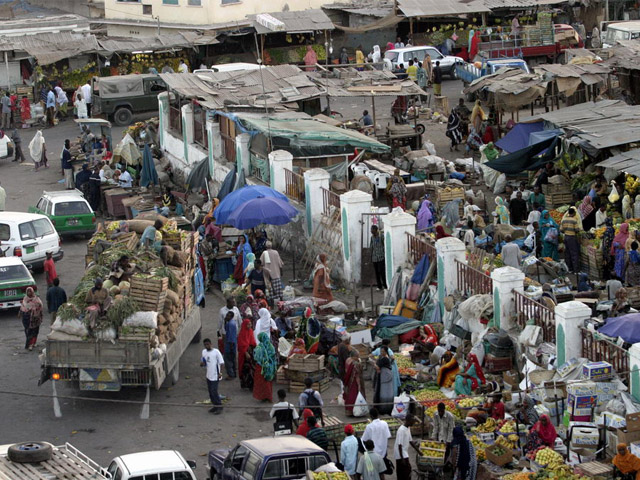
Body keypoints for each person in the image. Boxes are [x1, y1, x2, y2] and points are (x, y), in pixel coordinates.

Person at [200, 338, 224, 414]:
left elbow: (221, 363)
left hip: (215, 375)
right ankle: (215, 406)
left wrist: (220, 373)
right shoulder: (204, 352)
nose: (206, 346)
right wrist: (202, 364)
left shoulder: (216, 352)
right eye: (205, 345)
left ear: (211, 344)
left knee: (214, 391)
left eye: (208, 344)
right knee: (210, 392)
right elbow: (204, 363)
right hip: (208, 375)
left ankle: (219, 406)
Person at [253, 332, 276, 402]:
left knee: (262, 382)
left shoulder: (259, 348)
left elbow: (256, 358)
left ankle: (263, 396)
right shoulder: (271, 346)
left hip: (261, 368)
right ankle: (269, 396)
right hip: (270, 367)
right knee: (268, 382)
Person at [373, 345, 394, 415]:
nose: (381, 352)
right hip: (383, 377)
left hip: (385, 378)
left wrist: (375, 364)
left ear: (386, 352)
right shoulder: (382, 357)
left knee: (384, 392)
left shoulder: (385, 359)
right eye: (381, 351)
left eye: (383, 351)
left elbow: (377, 366)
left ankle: (384, 409)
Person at [344, 349, 365, 416]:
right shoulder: (355, 363)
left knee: (351, 396)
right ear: (355, 356)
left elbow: (347, 373)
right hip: (356, 382)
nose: (358, 357)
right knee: (354, 396)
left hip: (351, 382)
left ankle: (350, 411)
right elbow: (360, 371)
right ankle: (356, 411)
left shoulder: (348, 361)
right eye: (358, 356)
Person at [560, 207, 581, 274]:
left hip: (566, 237)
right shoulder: (574, 220)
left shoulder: (564, 220)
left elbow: (561, 230)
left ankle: (569, 269)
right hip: (572, 237)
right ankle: (576, 270)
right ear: (574, 213)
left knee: (567, 253)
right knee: (574, 253)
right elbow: (577, 230)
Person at [238, 318, 256, 389]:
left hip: (250, 352)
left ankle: (251, 385)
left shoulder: (250, 331)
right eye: (248, 324)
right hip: (244, 354)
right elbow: (241, 345)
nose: (250, 325)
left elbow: (252, 341)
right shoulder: (242, 334)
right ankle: (245, 383)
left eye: (250, 324)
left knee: (251, 369)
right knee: (245, 369)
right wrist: (245, 353)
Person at [394, 414, 414, 478]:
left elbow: (410, 441)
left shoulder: (408, 428)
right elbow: (399, 445)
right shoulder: (401, 430)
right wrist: (402, 458)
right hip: (400, 455)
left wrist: (419, 452)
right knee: (404, 472)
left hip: (404, 452)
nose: (413, 423)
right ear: (408, 421)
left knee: (406, 472)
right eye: (412, 421)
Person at [370, 225, 387, 290]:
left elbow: (384, 245)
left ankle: (385, 285)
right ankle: (379, 286)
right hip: (374, 258)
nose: (371, 231)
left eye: (372, 230)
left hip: (381, 257)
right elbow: (371, 247)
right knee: (376, 272)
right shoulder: (372, 238)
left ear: (376, 230)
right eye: (371, 230)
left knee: (382, 272)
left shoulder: (381, 237)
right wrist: (371, 256)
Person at [221, 311, 238, 379]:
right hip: (232, 344)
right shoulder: (231, 323)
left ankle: (231, 374)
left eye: (228, 316)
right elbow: (226, 329)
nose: (226, 317)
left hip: (230, 344)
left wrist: (230, 346)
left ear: (231, 317)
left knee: (228, 360)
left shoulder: (230, 324)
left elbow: (230, 336)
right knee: (232, 360)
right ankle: (234, 373)